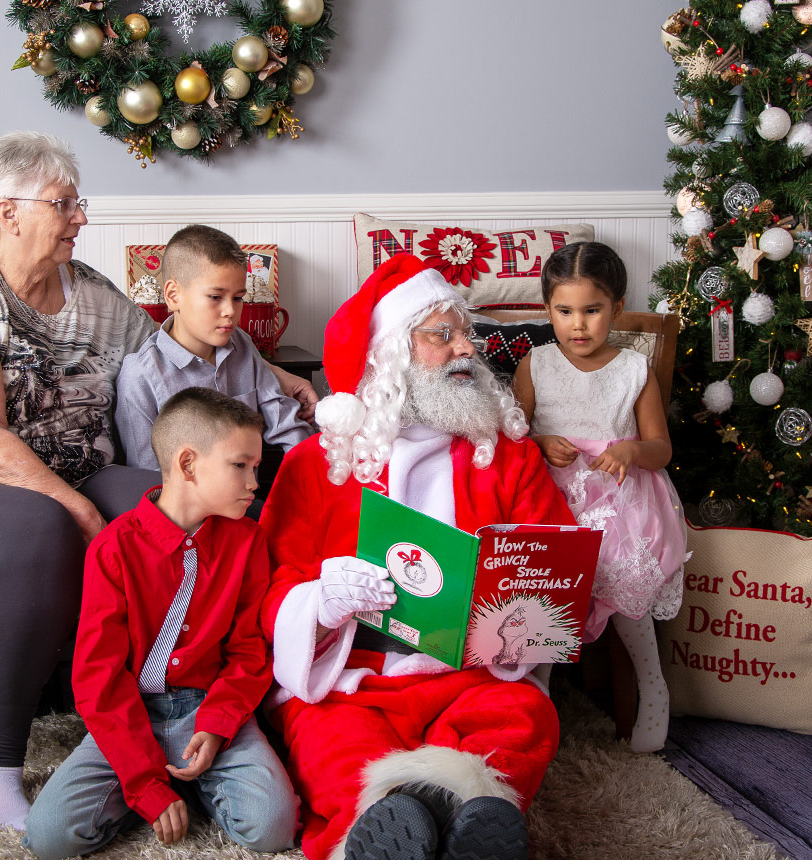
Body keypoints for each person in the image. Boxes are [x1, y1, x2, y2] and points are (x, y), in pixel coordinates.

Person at [0, 131, 316, 831]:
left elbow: (172, 351)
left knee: (177, 502)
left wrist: (276, 376)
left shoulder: (91, 293)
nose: (80, 217)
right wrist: (74, 508)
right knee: (35, 526)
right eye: (64, 204)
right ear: (7, 213)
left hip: (77, 472)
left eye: (78, 203)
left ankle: (181, 706)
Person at [258, 253, 576, 860]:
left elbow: (552, 571)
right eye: (442, 334)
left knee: (527, 718)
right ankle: (402, 825)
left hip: (471, 676)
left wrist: (518, 609)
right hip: (355, 679)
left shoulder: (508, 458)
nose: (465, 349)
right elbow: (273, 584)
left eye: (465, 333)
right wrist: (323, 599)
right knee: (329, 745)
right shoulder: (319, 465)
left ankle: (451, 818)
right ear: (391, 356)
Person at [24, 388, 298, 857]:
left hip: (208, 707)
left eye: (257, 467)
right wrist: (143, 783)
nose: (256, 482)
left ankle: (195, 779)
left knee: (273, 828)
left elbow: (249, 650)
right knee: (49, 838)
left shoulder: (247, 540)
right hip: (131, 713)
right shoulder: (113, 549)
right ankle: (156, 784)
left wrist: (217, 724)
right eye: (241, 466)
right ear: (188, 464)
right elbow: (99, 675)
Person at [511, 241, 687, 754]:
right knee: (544, 577)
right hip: (552, 499)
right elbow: (513, 435)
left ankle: (651, 682)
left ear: (617, 307)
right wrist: (541, 442)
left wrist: (633, 449)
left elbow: (661, 448)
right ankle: (534, 690)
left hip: (619, 502)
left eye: (592, 310)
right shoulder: (536, 364)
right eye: (565, 311)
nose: (579, 325)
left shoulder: (632, 368)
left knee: (620, 567)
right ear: (548, 310)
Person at [114, 224, 312, 475]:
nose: (230, 311)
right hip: (184, 512)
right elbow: (146, 477)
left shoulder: (241, 343)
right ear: (173, 295)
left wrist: (315, 475)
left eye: (238, 297)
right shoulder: (140, 374)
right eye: (215, 297)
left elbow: (286, 424)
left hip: (246, 499)